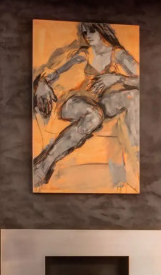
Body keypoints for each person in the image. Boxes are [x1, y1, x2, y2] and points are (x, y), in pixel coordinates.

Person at [32, 22, 139, 190]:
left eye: (91, 30)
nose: (87, 35)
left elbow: (143, 80)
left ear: (102, 31)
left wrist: (117, 78)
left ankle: (136, 158)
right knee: (94, 115)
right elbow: (54, 72)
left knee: (130, 97)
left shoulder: (117, 54)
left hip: (100, 104)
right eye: (84, 32)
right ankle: (44, 164)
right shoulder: (84, 53)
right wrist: (42, 82)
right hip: (75, 102)